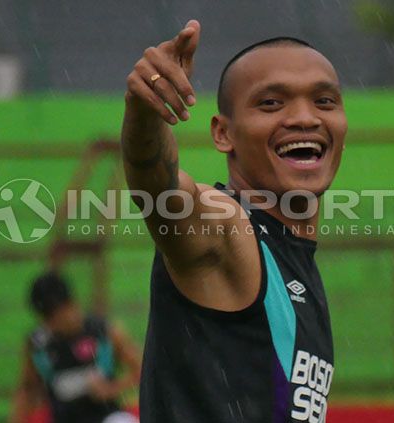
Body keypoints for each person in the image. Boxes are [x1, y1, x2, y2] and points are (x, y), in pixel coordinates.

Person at [121, 19, 347, 423]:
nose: (305, 118)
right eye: (271, 103)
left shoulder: (295, 257)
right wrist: (144, 114)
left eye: (324, 101)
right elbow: (162, 190)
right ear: (223, 133)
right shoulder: (229, 229)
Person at [11, 272, 141, 423]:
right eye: (46, 318)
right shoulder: (39, 345)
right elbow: (27, 390)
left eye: (55, 315)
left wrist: (111, 389)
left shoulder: (104, 333)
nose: (51, 324)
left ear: (71, 304)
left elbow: (142, 371)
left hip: (107, 417)